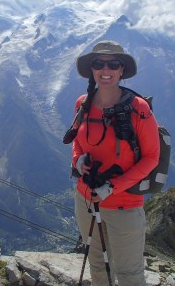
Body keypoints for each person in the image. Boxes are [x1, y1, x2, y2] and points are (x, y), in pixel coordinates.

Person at [68, 40, 160, 286]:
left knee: (129, 274)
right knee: (97, 265)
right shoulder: (82, 103)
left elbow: (152, 157)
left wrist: (112, 187)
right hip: (86, 198)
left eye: (113, 64)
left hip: (124, 204)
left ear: (121, 70)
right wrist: (78, 160)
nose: (105, 69)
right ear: (92, 69)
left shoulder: (139, 109)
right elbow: (77, 140)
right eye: (98, 63)